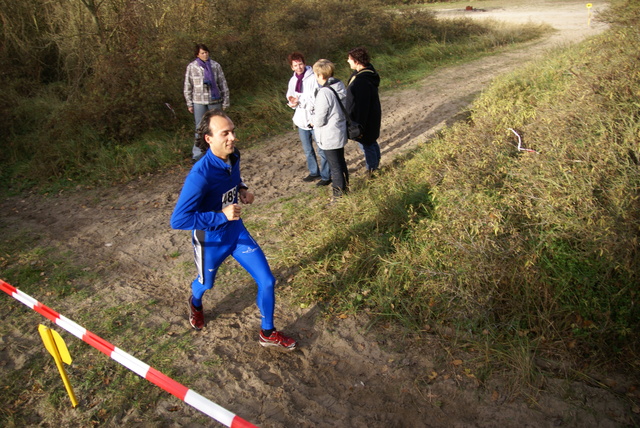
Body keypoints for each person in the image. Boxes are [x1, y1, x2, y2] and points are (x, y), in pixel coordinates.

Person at [170, 109, 297, 350]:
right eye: (225, 133)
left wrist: (242, 189)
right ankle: (195, 302)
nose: (232, 137)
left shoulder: (233, 155)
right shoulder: (200, 175)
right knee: (206, 284)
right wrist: (220, 216)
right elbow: (178, 220)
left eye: (233, 131)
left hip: (236, 232)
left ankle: (267, 332)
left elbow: (234, 177)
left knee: (267, 280)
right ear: (209, 139)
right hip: (211, 240)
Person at [286, 52, 331, 186]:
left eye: (300, 64)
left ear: (304, 63)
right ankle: (314, 172)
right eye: (295, 65)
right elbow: (290, 95)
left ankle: (326, 175)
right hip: (301, 119)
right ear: (292, 67)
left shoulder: (313, 77)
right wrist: (292, 102)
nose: (299, 67)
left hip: (314, 118)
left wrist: (302, 102)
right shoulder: (293, 80)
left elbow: (317, 97)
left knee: (321, 148)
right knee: (307, 149)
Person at [184, 43, 230, 163]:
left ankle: (219, 151)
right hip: (198, 101)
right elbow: (188, 85)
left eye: (206, 52)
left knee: (217, 127)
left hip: (215, 100)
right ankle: (198, 153)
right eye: (202, 53)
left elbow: (222, 83)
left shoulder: (215, 65)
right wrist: (189, 103)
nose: (205, 55)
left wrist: (226, 100)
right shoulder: (192, 67)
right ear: (197, 54)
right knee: (200, 127)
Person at [312, 59, 349, 200]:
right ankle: (346, 187)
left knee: (335, 166)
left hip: (329, 134)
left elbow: (320, 119)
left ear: (320, 75)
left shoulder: (324, 93)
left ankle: (338, 195)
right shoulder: (338, 85)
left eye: (316, 74)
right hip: (339, 129)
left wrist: (313, 122)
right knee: (340, 161)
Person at [346, 47, 382, 176]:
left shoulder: (362, 80)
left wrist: (359, 126)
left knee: (367, 143)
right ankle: (376, 164)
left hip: (365, 118)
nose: (347, 61)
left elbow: (362, 106)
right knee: (371, 141)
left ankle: (372, 170)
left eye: (349, 59)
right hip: (371, 115)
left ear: (356, 61)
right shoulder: (366, 72)